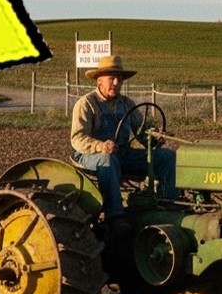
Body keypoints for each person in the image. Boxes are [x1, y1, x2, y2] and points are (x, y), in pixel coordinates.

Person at [71, 55, 179, 227]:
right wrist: (101, 146)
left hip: (121, 153)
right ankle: (115, 218)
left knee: (167, 157)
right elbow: (77, 138)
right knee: (108, 159)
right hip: (89, 155)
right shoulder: (86, 104)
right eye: (111, 78)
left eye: (119, 79)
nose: (116, 83)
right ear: (99, 81)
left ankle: (167, 208)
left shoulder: (126, 103)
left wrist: (155, 138)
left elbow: (141, 131)